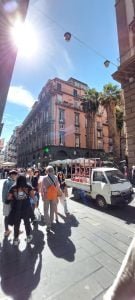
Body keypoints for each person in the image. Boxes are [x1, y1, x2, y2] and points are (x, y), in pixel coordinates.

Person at [7, 174, 35, 245]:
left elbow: (9, 197)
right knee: (27, 223)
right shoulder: (28, 186)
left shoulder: (13, 186)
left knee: (16, 224)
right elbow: (32, 196)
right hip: (26, 207)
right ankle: (28, 237)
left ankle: (16, 239)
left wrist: (15, 197)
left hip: (16, 208)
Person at [41, 165, 59, 232]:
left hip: (46, 196)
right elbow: (57, 187)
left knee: (45, 210)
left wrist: (42, 196)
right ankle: (51, 221)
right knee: (52, 209)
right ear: (53, 170)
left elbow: (42, 188)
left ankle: (48, 225)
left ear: (47, 171)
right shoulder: (56, 177)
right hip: (53, 195)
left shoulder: (44, 178)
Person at [2, 169, 18, 237]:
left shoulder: (9, 181)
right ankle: (7, 230)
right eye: (15, 175)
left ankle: (8, 230)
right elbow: (7, 193)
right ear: (12, 175)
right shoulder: (9, 182)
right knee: (9, 216)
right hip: (9, 202)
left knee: (8, 216)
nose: (16, 176)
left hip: (7, 201)